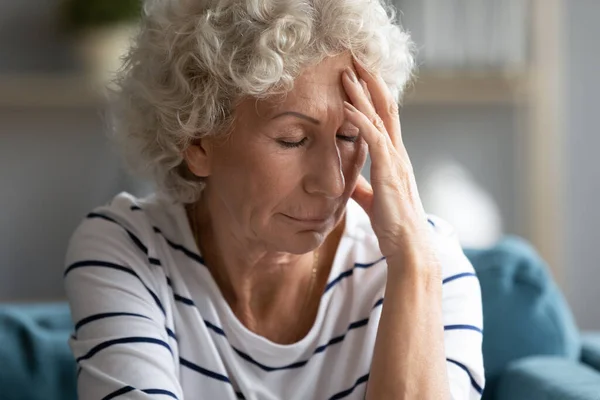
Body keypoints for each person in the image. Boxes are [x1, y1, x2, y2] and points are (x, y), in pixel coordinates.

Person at [64, 0, 485, 398]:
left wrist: (413, 265)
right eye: (293, 139)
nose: (331, 181)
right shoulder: (127, 250)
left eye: (349, 136)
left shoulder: (430, 266)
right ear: (196, 139)